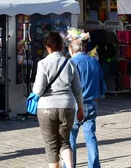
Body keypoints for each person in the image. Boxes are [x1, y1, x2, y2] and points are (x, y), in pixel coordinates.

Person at [34, 32, 85, 168]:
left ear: (48, 47)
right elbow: (78, 89)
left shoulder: (43, 64)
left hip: (46, 107)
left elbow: (38, 90)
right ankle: (69, 166)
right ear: (61, 46)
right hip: (67, 106)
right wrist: (80, 108)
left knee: (51, 145)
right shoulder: (69, 63)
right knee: (64, 142)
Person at [66, 37, 106, 168]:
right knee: (90, 138)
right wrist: (99, 95)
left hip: (76, 105)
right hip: (92, 103)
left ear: (72, 50)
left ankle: (69, 165)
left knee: (71, 138)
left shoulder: (72, 63)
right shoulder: (93, 61)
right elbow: (101, 81)